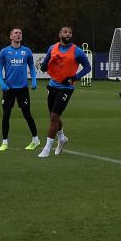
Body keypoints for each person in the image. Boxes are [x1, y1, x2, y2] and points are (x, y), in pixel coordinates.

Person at [37, 26, 91, 158]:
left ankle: (47, 148)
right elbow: (45, 65)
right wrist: (45, 64)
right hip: (52, 86)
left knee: (54, 117)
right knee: (53, 117)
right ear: (60, 34)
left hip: (66, 88)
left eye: (70, 32)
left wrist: (75, 77)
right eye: (65, 32)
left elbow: (87, 67)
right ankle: (62, 138)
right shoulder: (52, 48)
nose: (68, 34)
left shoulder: (77, 51)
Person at [0, 27, 40, 151]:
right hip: (8, 89)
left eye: (20, 33)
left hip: (23, 89)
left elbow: (31, 67)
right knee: (6, 115)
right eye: (16, 33)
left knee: (27, 114)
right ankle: (5, 142)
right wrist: (1, 83)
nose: (18, 35)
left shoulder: (27, 51)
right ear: (11, 36)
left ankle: (35, 140)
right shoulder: (4, 52)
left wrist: (34, 80)